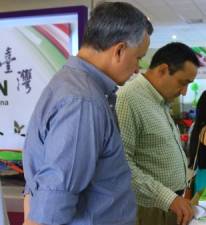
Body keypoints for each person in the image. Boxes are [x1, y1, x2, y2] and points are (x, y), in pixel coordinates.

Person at [22, 2, 152, 225]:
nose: (138, 69)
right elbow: (53, 204)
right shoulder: (82, 102)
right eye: (138, 58)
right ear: (119, 50)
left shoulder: (74, 85)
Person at [116, 42, 200, 225]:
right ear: (163, 70)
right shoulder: (128, 98)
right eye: (183, 82)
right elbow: (123, 166)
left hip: (172, 204)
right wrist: (168, 199)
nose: (184, 91)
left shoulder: (160, 101)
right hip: (150, 209)